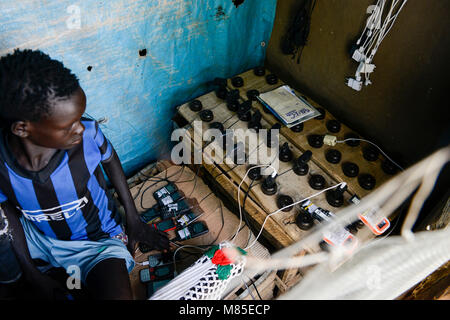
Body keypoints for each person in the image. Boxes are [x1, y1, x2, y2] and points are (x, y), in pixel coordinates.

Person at [0, 49, 169, 300]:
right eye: (68, 125)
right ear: (23, 129)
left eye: (80, 118)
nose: (80, 128)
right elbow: (8, 213)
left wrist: (132, 218)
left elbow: (110, 160)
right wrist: (33, 274)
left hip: (96, 242)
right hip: (37, 238)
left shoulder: (87, 136)